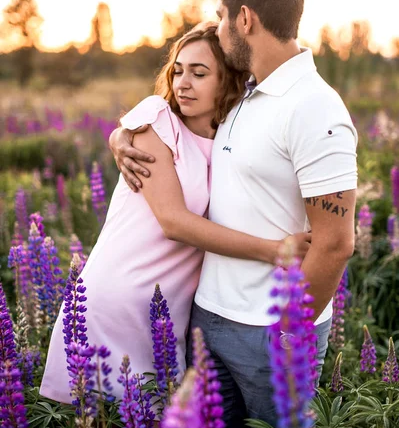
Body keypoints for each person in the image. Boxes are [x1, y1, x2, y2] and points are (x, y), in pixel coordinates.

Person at [109, 0, 358, 428]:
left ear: (245, 18)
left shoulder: (315, 108)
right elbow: (173, 122)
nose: (218, 29)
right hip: (208, 319)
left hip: (269, 332)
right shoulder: (244, 93)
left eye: (222, 17)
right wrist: (121, 135)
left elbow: (335, 245)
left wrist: (289, 335)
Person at [40, 23, 311, 403]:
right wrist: (274, 250)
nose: (183, 82)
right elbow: (173, 222)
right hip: (116, 301)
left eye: (199, 74)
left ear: (228, 81)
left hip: (168, 318)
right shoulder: (157, 119)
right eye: (178, 70)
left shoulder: (234, 137)